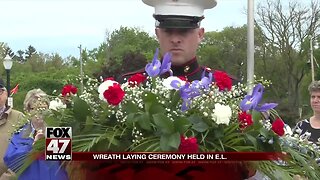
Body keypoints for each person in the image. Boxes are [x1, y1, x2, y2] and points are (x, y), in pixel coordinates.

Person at [85, 0, 256, 179]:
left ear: (200, 34)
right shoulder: (130, 86)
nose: (175, 39)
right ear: (157, 33)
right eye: (168, 31)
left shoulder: (226, 89)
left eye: (184, 31)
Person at [3, 89, 68, 180]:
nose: (40, 113)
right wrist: (33, 146)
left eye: (43, 108)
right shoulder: (20, 134)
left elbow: (67, 163)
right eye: (35, 109)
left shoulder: (57, 131)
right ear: (28, 111)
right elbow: (13, 163)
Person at [0, 78, 24, 179]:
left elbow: (24, 153)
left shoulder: (19, 118)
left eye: (0, 91)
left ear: (6, 93)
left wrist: (8, 178)